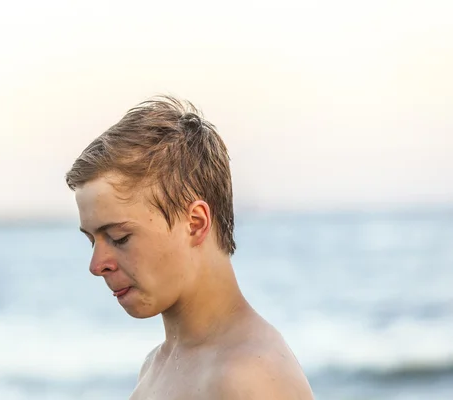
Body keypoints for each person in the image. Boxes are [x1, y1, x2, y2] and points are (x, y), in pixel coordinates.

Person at [65, 95, 314, 399]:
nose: (97, 265)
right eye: (92, 241)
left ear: (195, 223)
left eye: (119, 238)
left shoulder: (252, 378)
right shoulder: (156, 366)